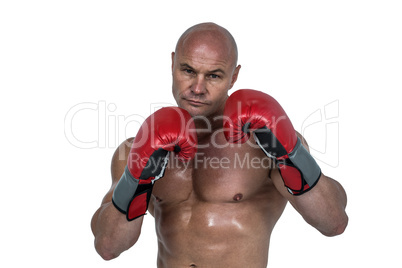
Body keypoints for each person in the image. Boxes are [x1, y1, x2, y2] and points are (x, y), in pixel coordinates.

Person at [91, 22, 348, 267]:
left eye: (213, 76)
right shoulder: (136, 148)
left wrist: (291, 154)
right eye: (188, 70)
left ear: (233, 77)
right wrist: (138, 177)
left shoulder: (264, 143)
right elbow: (108, 246)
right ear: (172, 64)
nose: (197, 88)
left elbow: (333, 222)